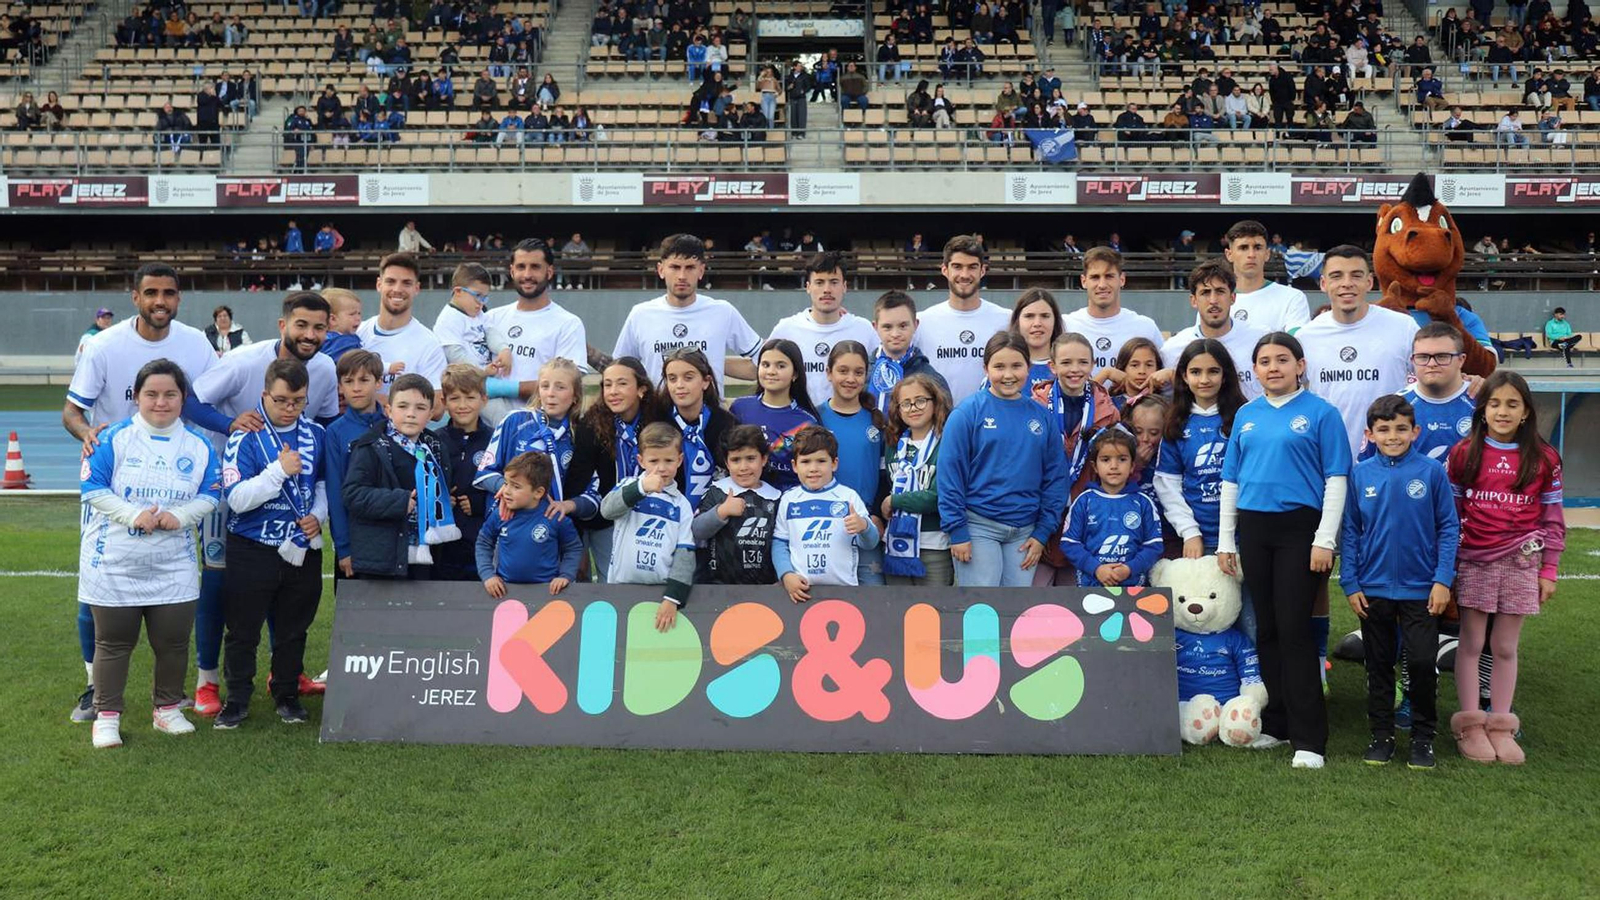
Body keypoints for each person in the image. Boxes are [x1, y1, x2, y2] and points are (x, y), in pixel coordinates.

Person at [64, 263, 218, 723]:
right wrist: (88, 432)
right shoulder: (103, 345)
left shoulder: (195, 344)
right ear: (135, 297)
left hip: (176, 483)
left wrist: (234, 425)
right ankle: (96, 686)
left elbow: (210, 402)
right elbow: (72, 412)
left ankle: (168, 701)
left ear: (179, 298)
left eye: (169, 293)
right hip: (115, 481)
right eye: (151, 292)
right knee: (97, 591)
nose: (160, 301)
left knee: (176, 586)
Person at [1218, 333, 1352, 769]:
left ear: (1300, 365)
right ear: (1254, 370)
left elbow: (1336, 479)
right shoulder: (1246, 414)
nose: (1272, 367)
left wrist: (1324, 539)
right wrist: (1226, 539)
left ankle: (1310, 738)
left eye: (1281, 360)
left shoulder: (1321, 413)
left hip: (1300, 529)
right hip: (1255, 528)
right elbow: (1231, 481)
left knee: (1295, 630)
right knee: (1268, 629)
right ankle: (1277, 724)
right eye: (1263, 361)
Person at [78, 360, 220, 748]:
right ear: (136, 397)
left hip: (173, 564)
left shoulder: (199, 445)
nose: (161, 402)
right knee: (113, 643)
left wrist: (180, 516)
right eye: (151, 394)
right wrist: (133, 516)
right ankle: (107, 716)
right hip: (115, 562)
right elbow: (92, 489)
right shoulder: (112, 438)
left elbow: (212, 493)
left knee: (173, 643)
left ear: (183, 398)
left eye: (170, 394)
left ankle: (167, 709)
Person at [1447, 371, 1564, 765]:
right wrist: (1447, 565)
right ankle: (1470, 725)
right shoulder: (1464, 453)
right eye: (1495, 403)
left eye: (1512, 404)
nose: (1502, 411)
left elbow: (1552, 517)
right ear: (1482, 411)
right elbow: (1452, 514)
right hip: (1474, 560)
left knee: (1505, 646)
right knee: (1472, 642)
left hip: (1521, 562)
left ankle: (1501, 726)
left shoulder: (1544, 457)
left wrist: (1548, 570)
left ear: (1526, 411)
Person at [1341, 395, 1458, 770]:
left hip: (1421, 590)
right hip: (1372, 590)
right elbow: (1351, 532)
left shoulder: (1431, 472)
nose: (1393, 436)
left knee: (1423, 662)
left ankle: (1423, 737)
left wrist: (1442, 580)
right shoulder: (1360, 475)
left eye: (1401, 428)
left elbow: (1448, 528)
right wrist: (1350, 582)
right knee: (1378, 665)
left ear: (1415, 431)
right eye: (1384, 429)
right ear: (1370, 434)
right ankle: (1382, 734)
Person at [216, 358, 328, 729]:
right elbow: (238, 499)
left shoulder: (315, 434)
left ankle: (287, 694)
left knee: (294, 629)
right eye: (281, 400)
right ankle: (236, 700)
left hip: (302, 546)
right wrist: (278, 470)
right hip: (253, 547)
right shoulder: (244, 436)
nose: (289, 408)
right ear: (265, 395)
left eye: (298, 401)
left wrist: (319, 516)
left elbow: (323, 485)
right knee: (243, 630)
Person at [938, 333, 1068, 587]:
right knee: (981, 611)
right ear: (985, 368)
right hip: (978, 526)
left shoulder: (1041, 416)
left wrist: (1042, 532)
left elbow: (1055, 478)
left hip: (1025, 532)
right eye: (999, 366)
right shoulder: (968, 413)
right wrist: (957, 530)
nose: (1008, 374)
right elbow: (950, 475)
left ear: (1028, 368)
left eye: (1016, 366)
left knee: (1015, 614)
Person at [1295, 246, 1420, 459]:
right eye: (1336, 276)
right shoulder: (1306, 336)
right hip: (1328, 460)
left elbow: (1432, 378)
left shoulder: (1404, 327)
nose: (1347, 283)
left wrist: (1470, 381)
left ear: (1369, 282)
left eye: (1356, 275)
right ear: (1324, 284)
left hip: (1390, 458)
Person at [342, 373, 460, 581]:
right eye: (403, 406)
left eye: (420, 408)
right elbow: (353, 495)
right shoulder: (371, 446)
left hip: (427, 557)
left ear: (431, 413)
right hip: (381, 560)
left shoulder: (437, 448)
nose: (411, 414)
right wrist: (400, 501)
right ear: (388, 410)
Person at [613, 234, 760, 396]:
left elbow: (762, 362)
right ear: (661, 270)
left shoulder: (723, 311)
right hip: (658, 417)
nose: (682, 276)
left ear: (701, 271)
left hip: (709, 417)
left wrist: (714, 363)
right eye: (675, 267)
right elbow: (620, 371)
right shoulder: (640, 314)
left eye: (690, 267)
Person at [1155, 339, 1249, 565]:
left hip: (1245, 537)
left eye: (1213, 371)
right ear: (1184, 377)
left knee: (1250, 602)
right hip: (1199, 541)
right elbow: (1167, 485)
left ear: (1225, 375)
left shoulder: (1245, 417)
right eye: (1196, 372)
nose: (1204, 380)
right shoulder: (1176, 423)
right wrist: (1189, 531)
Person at [600, 421, 697, 632]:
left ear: (679, 460)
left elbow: (685, 553)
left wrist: (673, 598)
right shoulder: (628, 485)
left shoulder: (682, 505)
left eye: (668, 460)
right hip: (620, 586)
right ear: (641, 460)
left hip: (660, 593)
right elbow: (607, 510)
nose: (661, 468)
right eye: (653, 460)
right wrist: (641, 488)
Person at [566, 358, 656, 582]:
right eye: (607, 385)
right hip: (602, 521)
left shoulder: (657, 422)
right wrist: (579, 541)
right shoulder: (592, 425)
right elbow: (577, 483)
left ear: (641, 389)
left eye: (622, 384)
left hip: (647, 517)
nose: (613, 392)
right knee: (606, 584)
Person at [482, 240, 589, 423]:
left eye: (535, 267)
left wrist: (504, 388)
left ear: (549, 272)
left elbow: (568, 386)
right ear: (512, 271)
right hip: (490, 431)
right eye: (521, 267)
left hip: (539, 431)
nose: (527, 274)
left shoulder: (568, 324)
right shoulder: (491, 318)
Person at [473, 358, 590, 523]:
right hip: (508, 524)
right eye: (545, 386)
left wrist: (568, 505)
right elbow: (484, 472)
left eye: (560, 387)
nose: (550, 393)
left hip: (552, 529)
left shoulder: (581, 433)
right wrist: (508, 490)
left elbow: (593, 494)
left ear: (575, 396)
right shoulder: (514, 421)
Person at [774, 425, 881, 602]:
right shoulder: (789, 499)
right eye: (806, 462)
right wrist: (786, 575)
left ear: (834, 463)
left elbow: (870, 543)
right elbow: (779, 544)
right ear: (794, 466)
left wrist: (864, 527)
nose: (813, 468)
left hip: (845, 592)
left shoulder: (848, 497)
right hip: (801, 593)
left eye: (821, 461)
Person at [818, 342, 891, 586]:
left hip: (865, 524)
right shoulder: (815, 418)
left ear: (866, 376)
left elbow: (884, 473)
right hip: (823, 526)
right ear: (829, 373)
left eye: (858, 372)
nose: (850, 379)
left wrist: (877, 514)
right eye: (843, 371)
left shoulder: (876, 421)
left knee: (874, 602)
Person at [768, 252, 878, 404]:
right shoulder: (786, 329)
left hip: (846, 422)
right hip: (799, 424)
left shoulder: (863, 329)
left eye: (834, 282)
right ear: (808, 287)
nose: (827, 289)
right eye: (819, 282)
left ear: (844, 287)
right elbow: (762, 368)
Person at [915, 236, 1012, 404]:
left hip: (990, 422)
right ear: (945, 270)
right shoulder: (922, 322)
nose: (964, 275)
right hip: (939, 424)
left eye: (972, 267)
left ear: (983, 270)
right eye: (957, 267)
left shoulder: (1006, 320)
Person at [1061, 428, 1163, 588]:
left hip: (1133, 589)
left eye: (1122, 459)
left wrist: (1130, 569)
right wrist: (1096, 569)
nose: (1114, 466)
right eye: (1106, 459)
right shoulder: (1083, 501)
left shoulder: (1143, 503)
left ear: (1132, 466)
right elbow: (1069, 543)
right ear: (1095, 466)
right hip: (1090, 587)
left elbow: (1154, 545)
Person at [476, 451, 582, 597]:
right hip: (505, 592)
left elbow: (573, 547)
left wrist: (565, 576)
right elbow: (483, 543)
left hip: (548, 593)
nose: (506, 491)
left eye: (516, 487)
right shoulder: (500, 515)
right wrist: (488, 575)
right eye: (506, 483)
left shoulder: (554, 516)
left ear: (538, 492)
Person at [880, 374, 953, 586]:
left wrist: (894, 501)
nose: (913, 408)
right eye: (906, 403)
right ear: (898, 409)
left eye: (921, 400)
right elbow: (886, 484)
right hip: (896, 544)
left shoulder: (947, 443)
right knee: (898, 613)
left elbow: (937, 496)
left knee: (935, 613)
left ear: (935, 402)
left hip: (933, 545)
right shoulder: (894, 445)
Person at [325, 349, 386, 583]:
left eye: (364, 380)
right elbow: (334, 491)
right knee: (352, 615)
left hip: (390, 535)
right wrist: (344, 547)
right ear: (340, 386)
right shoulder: (335, 432)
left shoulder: (393, 425)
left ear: (378, 382)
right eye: (349, 381)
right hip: (354, 536)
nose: (356, 388)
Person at [692, 424, 780, 585]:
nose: (743, 467)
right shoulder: (717, 491)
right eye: (736, 460)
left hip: (765, 590)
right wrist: (721, 511)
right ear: (726, 462)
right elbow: (696, 531)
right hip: (719, 587)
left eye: (751, 458)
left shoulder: (777, 498)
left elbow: (782, 543)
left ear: (764, 459)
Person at [729, 339, 819, 490]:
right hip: (744, 499)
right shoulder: (740, 408)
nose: (771, 371)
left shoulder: (807, 422)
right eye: (765, 365)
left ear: (795, 373)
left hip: (787, 502)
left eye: (781, 366)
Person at [356, 252, 448, 399]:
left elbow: (436, 408)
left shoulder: (429, 344)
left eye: (406, 283)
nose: (397, 289)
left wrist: (370, 400)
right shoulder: (358, 333)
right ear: (379, 285)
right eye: (390, 281)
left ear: (416, 289)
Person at [1382, 323, 1475, 462]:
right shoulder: (1394, 406)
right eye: (1423, 357)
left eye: (1442, 356)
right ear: (1413, 360)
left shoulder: (1484, 402)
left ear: (1461, 360)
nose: (1431, 364)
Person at [1065, 247, 1164, 378]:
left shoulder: (1146, 327)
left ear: (1122, 279)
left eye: (1109, 276)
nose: (1102, 285)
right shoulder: (1066, 325)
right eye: (1095, 277)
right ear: (1084, 281)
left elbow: (1163, 379)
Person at [657, 347, 736, 509]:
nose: (679, 385)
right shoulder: (657, 421)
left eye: (688, 378)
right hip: (665, 515)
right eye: (672, 379)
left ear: (706, 381)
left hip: (714, 516)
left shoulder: (725, 423)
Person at [434, 365, 492, 581]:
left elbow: (506, 486)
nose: (463, 405)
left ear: (484, 399)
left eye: (470, 397)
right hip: (441, 544)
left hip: (480, 539)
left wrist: (479, 504)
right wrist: (439, 500)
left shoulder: (495, 440)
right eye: (455, 398)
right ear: (444, 402)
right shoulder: (434, 440)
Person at [867, 290, 949, 415]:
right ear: (875, 326)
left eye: (903, 326)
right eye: (887, 327)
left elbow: (943, 425)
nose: (895, 334)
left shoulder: (931, 378)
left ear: (916, 325)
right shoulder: (862, 373)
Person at [432, 262, 495, 371]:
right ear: (458, 291)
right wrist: (482, 371)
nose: (481, 303)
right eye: (478, 296)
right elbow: (455, 355)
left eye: (484, 298)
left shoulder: (479, 313)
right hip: (465, 381)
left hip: (485, 374)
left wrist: (504, 350)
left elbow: (491, 333)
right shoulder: (448, 319)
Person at [1011, 287, 1065, 394]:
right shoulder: (1004, 366)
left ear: (1055, 320)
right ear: (1018, 321)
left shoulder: (1069, 366)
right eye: (1029, 316)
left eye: (1045, 316)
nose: (1037, 323)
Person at [319, 287, 363, 362]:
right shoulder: (343, 343)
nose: (358, 318)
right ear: (333, 319)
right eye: (352, 314)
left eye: (359, 313)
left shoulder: (321, 341)